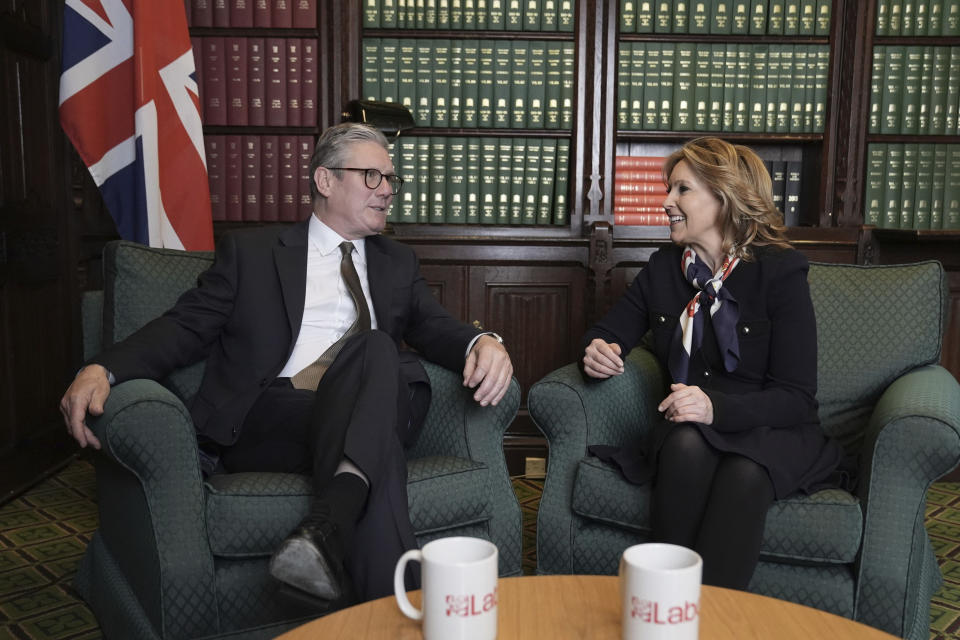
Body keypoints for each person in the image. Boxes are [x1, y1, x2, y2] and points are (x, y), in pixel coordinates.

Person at [59, 122, 513, 604]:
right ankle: (381, 598)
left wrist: (483, 340)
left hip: (365, 404)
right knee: (381, 409)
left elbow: (434, 325)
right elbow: (183, 328)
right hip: (273, 417)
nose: (388, 192)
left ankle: (327, 531)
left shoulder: (397, 262)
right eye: (373, 177)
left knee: (378, 352)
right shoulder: (252, 254)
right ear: (325, 180)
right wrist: (101, 368)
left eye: (392, 179)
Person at [582, 137, 844, 590]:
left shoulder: (780, 273)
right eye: (670, 190)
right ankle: (663, 607)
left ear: (724, 197)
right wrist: (598, 348)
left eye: (681, 190)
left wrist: (715, 408)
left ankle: (715, 622)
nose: (666, 202)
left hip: (770, 429)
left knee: (743, 473)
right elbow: (607, 331)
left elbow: (797, 398)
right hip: (690, 426)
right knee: (684, 444)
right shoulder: (663, 269)